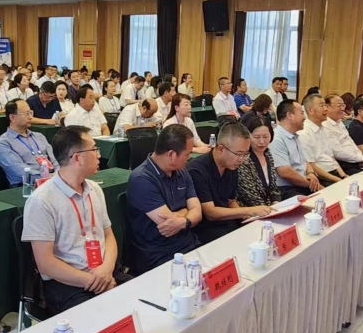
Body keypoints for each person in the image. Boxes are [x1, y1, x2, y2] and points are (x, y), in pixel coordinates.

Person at [22, 125, 129, 313]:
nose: (99, 155)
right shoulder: (42, 200)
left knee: (144, 300)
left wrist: (106, 270)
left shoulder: (95, 189)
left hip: (104, 270)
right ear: (78, 158)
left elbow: (108, 236)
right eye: (94, 149)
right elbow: (45, 264)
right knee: (103, 317)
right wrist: (94, 281)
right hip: (67, 282)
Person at [127, 124, 202, 273]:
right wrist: (186, 212)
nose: (189, 158)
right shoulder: (141, 179)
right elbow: (168, 224)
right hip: (158, 253)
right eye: (187, 154)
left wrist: (182, 220)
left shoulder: (182, 172)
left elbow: (198, 212)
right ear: (171, 154)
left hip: (189, 243)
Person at [186, 123, 272, 244]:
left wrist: (246, 217)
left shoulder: (231, 166)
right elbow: (210, 213)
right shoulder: (197, 170)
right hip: (206, 228)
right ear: (221, 149)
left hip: (228, 221)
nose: (242, 159)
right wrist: (248, 211)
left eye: (245, 154)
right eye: (239, 154)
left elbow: (230, 201)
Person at [0, 100, 59, 186]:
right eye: (26, 114)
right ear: (12, 117)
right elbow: (20, 171)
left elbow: (56, 160)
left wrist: (59, 173)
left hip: (53, 180)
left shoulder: (39, 136)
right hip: (27, 185)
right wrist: (48, 178)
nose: (31, 117)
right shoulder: (3, 143)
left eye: (30, 113)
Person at [270, 100, 322, 199]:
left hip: (302, 183)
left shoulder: (294, 136)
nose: (304, 117)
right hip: (286, 188)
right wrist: (311, 184)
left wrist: (311, 173)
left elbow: (304, 160)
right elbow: (286, 173)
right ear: (289, 116)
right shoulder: (276, 138)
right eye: (301, 113)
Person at [297, 94, 351, 185]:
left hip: (334, 173)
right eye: (322, 106)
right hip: (322, 177)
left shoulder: (323, 129)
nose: (326, 109)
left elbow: (332, 158)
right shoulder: (304, 133)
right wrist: (339, 180)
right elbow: (311, 166)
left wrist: (344, 176)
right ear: (310, 110)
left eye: (326, 105)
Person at [236, 115, 281, 207]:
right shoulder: (243, 159)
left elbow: (273, 188)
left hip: (269, 207)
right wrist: (269, 209)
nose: (262, 141)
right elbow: (250, 195)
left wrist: (276, 203)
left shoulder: (268, 154)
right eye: (256, 137)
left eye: (266, 136)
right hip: (249, 210)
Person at [323, 94, 363, 172]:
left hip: (356, 160)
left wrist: (361, 156)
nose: (342, 109)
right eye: (339, 105)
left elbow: (350, 141)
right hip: (343, 164)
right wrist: (360, 158)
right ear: (327, 107)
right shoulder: (325, 125)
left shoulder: (339, 122)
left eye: (343, 105)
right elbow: (337, 153)